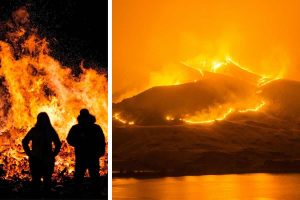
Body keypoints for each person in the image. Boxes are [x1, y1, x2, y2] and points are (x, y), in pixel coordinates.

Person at [22, 112, 61, 194]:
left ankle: (44, 194)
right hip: (36, 159)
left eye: (44, 119)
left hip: (46, 159)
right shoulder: (35, 130)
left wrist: (53, 154)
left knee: (46, 180)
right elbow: (24, 142)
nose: (42, 121)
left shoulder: (50, 131)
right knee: (36, 181)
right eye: (41, 119)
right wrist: (30, 153)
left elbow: (58, 143)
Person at [67, 109, 105, 183]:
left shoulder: (94, 128)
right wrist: (78, 144)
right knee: (84, 175)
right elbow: (69, 139)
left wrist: (77, 144)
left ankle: (90, 192)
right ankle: (90, 192)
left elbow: (101, 140)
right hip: (86, 156)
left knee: (86, 175)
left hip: (88, 155)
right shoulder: (95, 128)